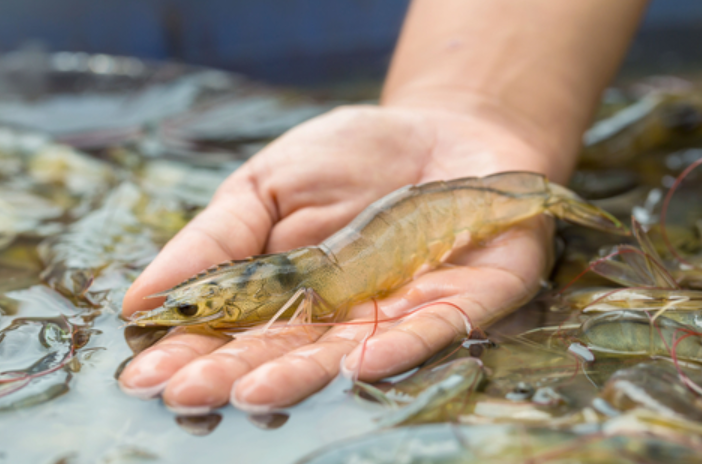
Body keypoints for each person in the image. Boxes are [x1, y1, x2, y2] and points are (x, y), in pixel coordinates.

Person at [119, 0, 647, 414]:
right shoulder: (275, 279)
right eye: (188, 308)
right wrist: (479, 109)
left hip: (426, 216)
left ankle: (546, 200)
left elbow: (301, 296)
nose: (179, 316)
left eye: (188, 308)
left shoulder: (297, 287)